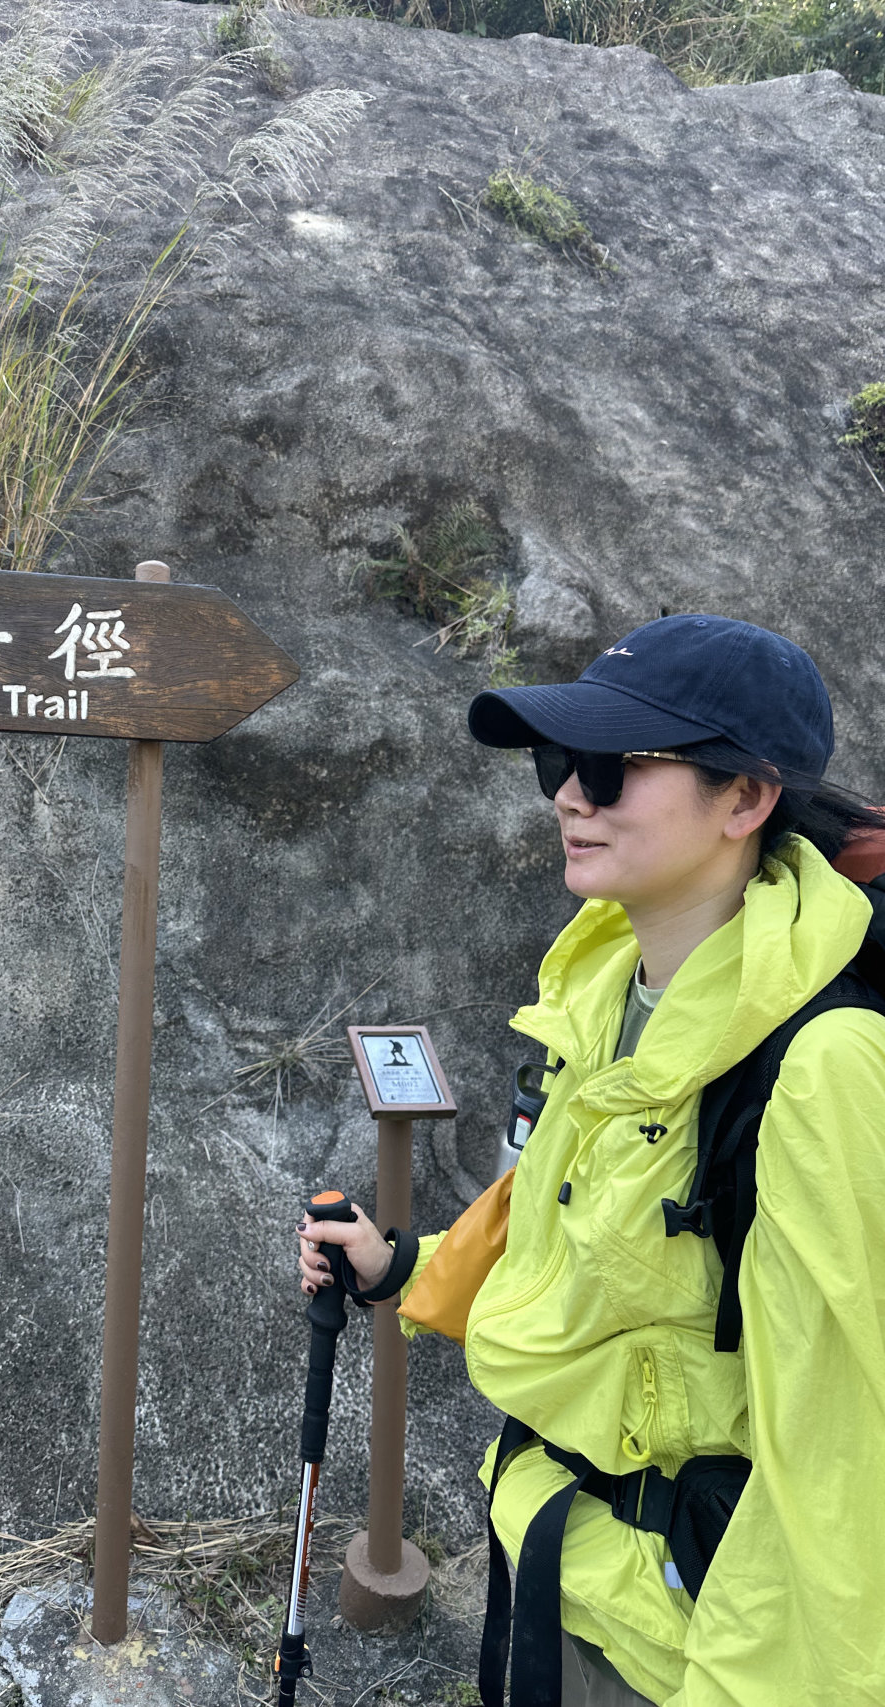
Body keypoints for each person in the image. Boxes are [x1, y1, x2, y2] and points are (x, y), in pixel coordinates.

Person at [295, 614, 885, 1707]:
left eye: (612, 767)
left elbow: (844, 1451)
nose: (570, 794)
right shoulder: (609, 991)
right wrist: (405, 1267)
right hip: (564, 1568)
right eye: (559, 761)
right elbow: (573, 1236)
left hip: (696, 1647)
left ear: (745, 799)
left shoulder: (820, 1065)